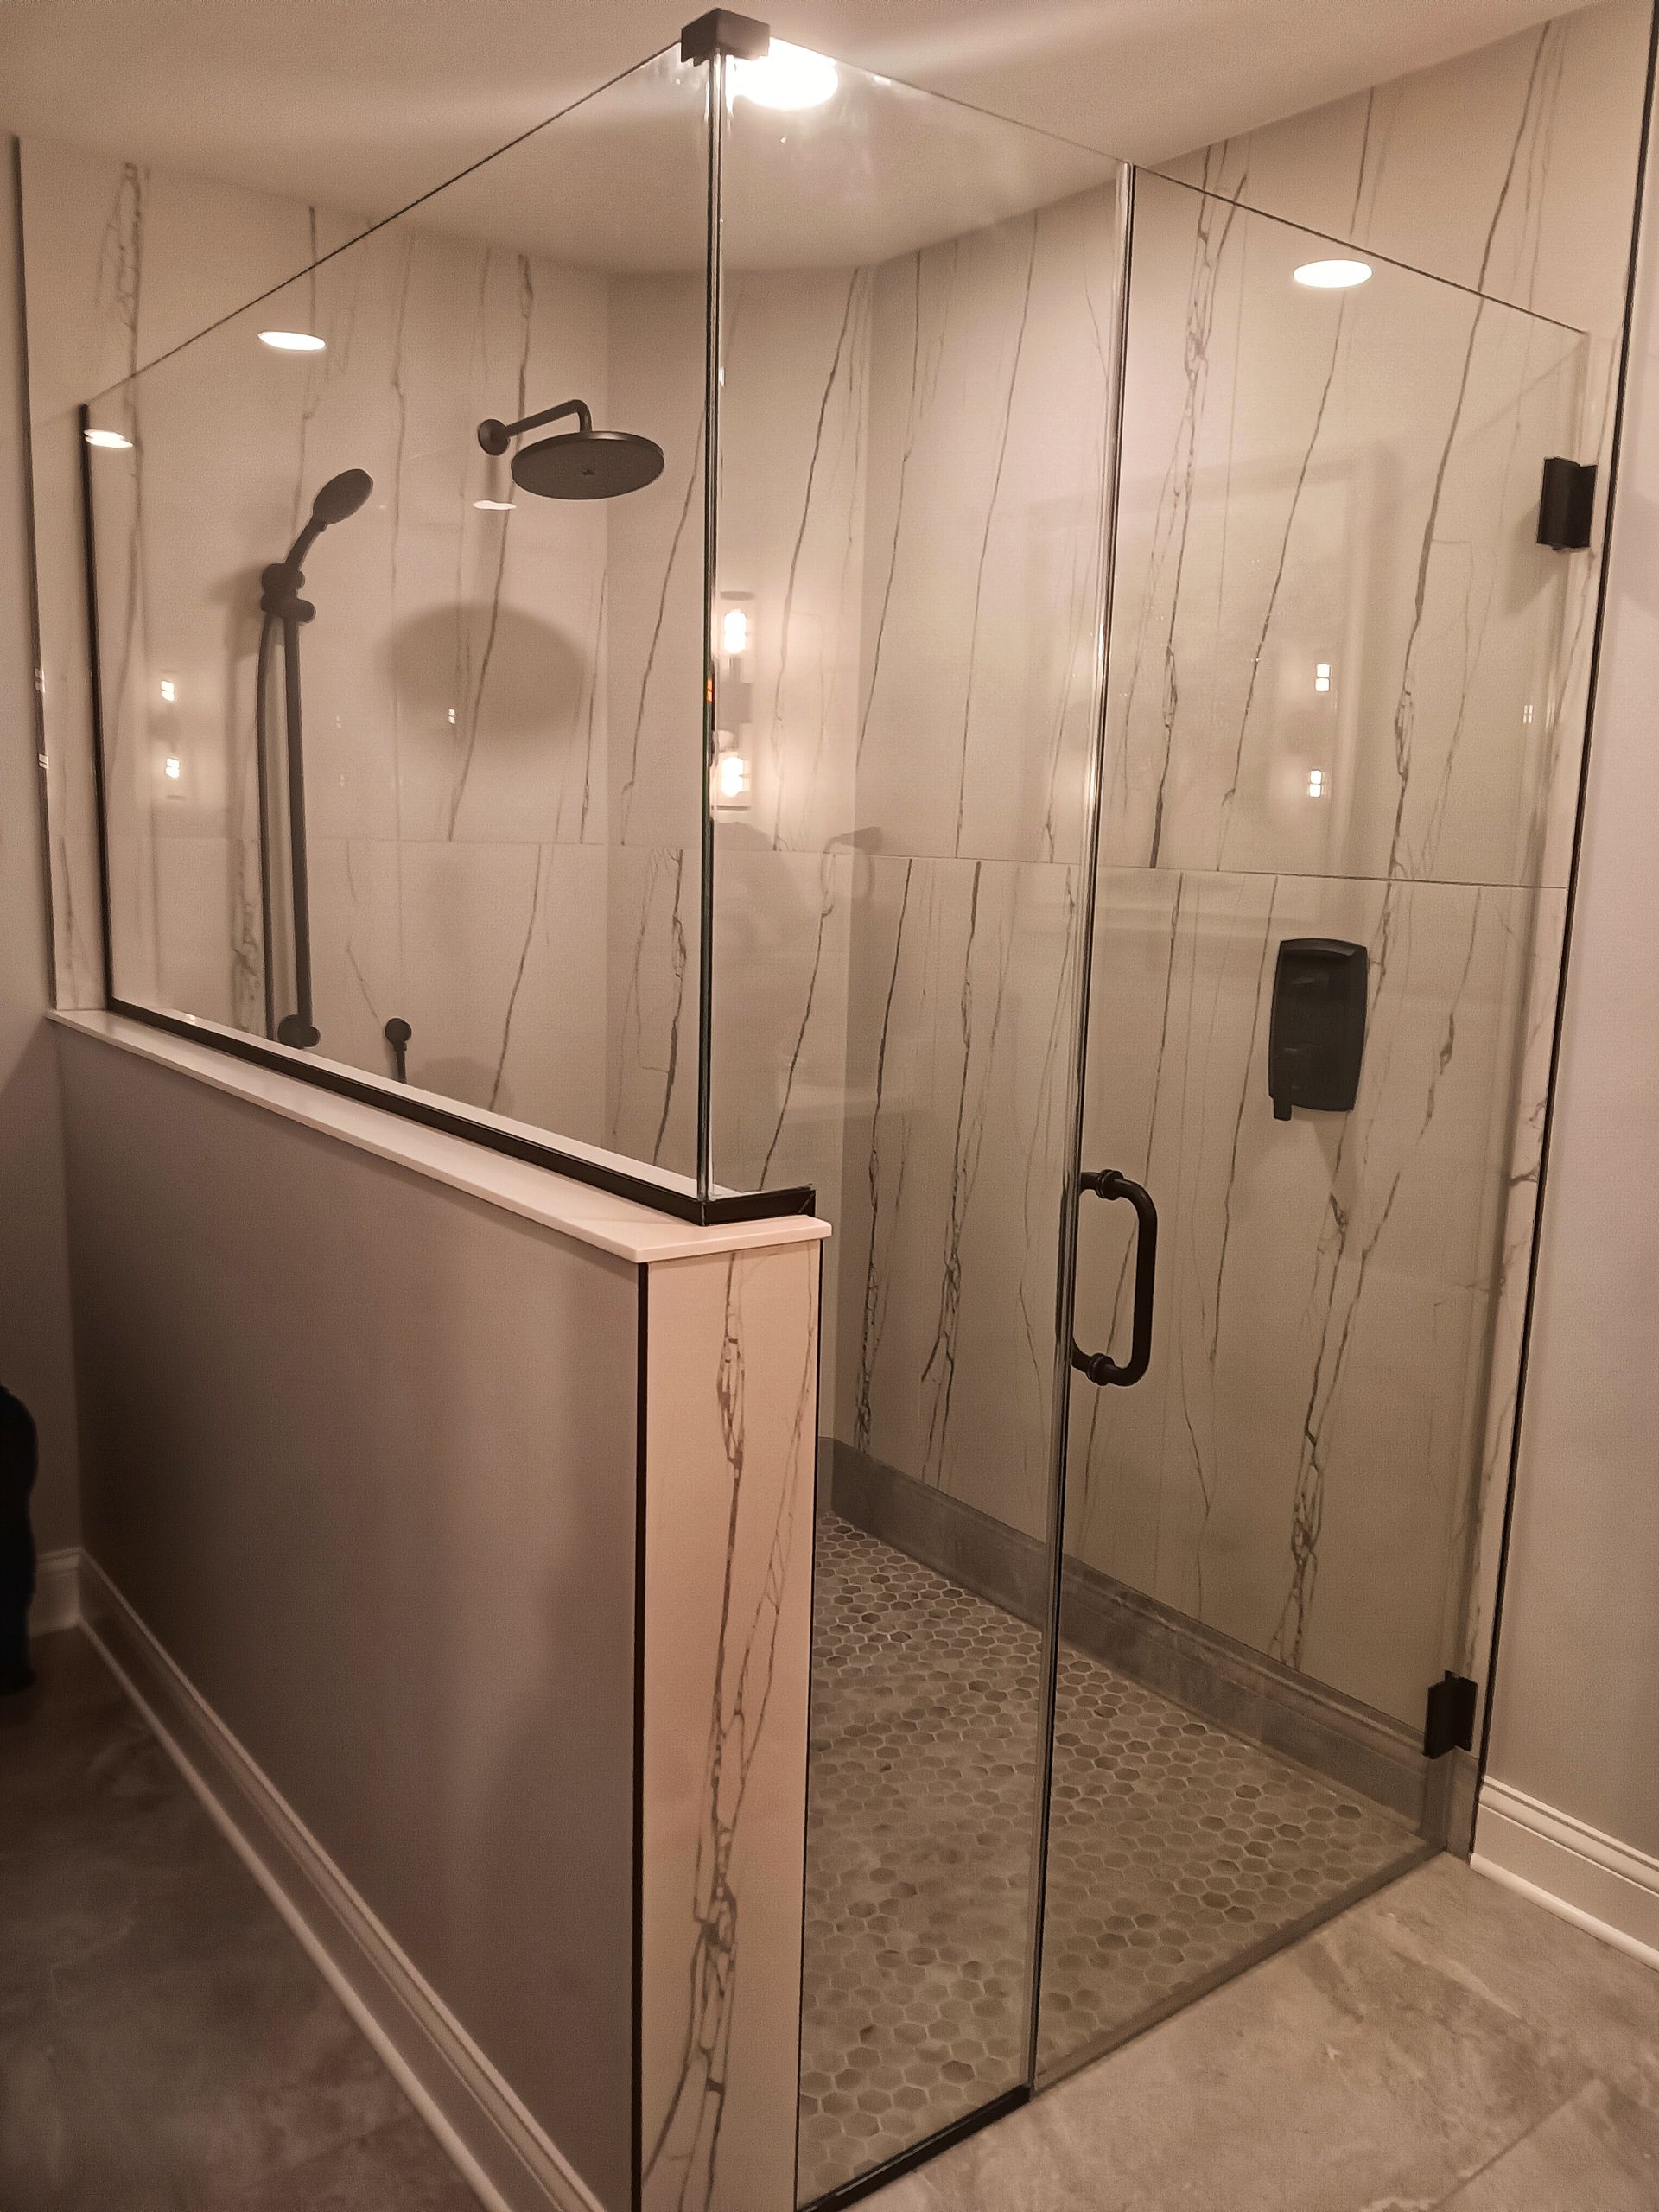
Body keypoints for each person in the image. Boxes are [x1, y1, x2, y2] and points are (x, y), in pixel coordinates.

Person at [0, 1383, 39, 1694]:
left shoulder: (13, 1417)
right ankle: (15, 1669)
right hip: (12, 1531)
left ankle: (14, 1668)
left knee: (13, 1593)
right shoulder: (15, 1415)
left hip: (10, 1532)